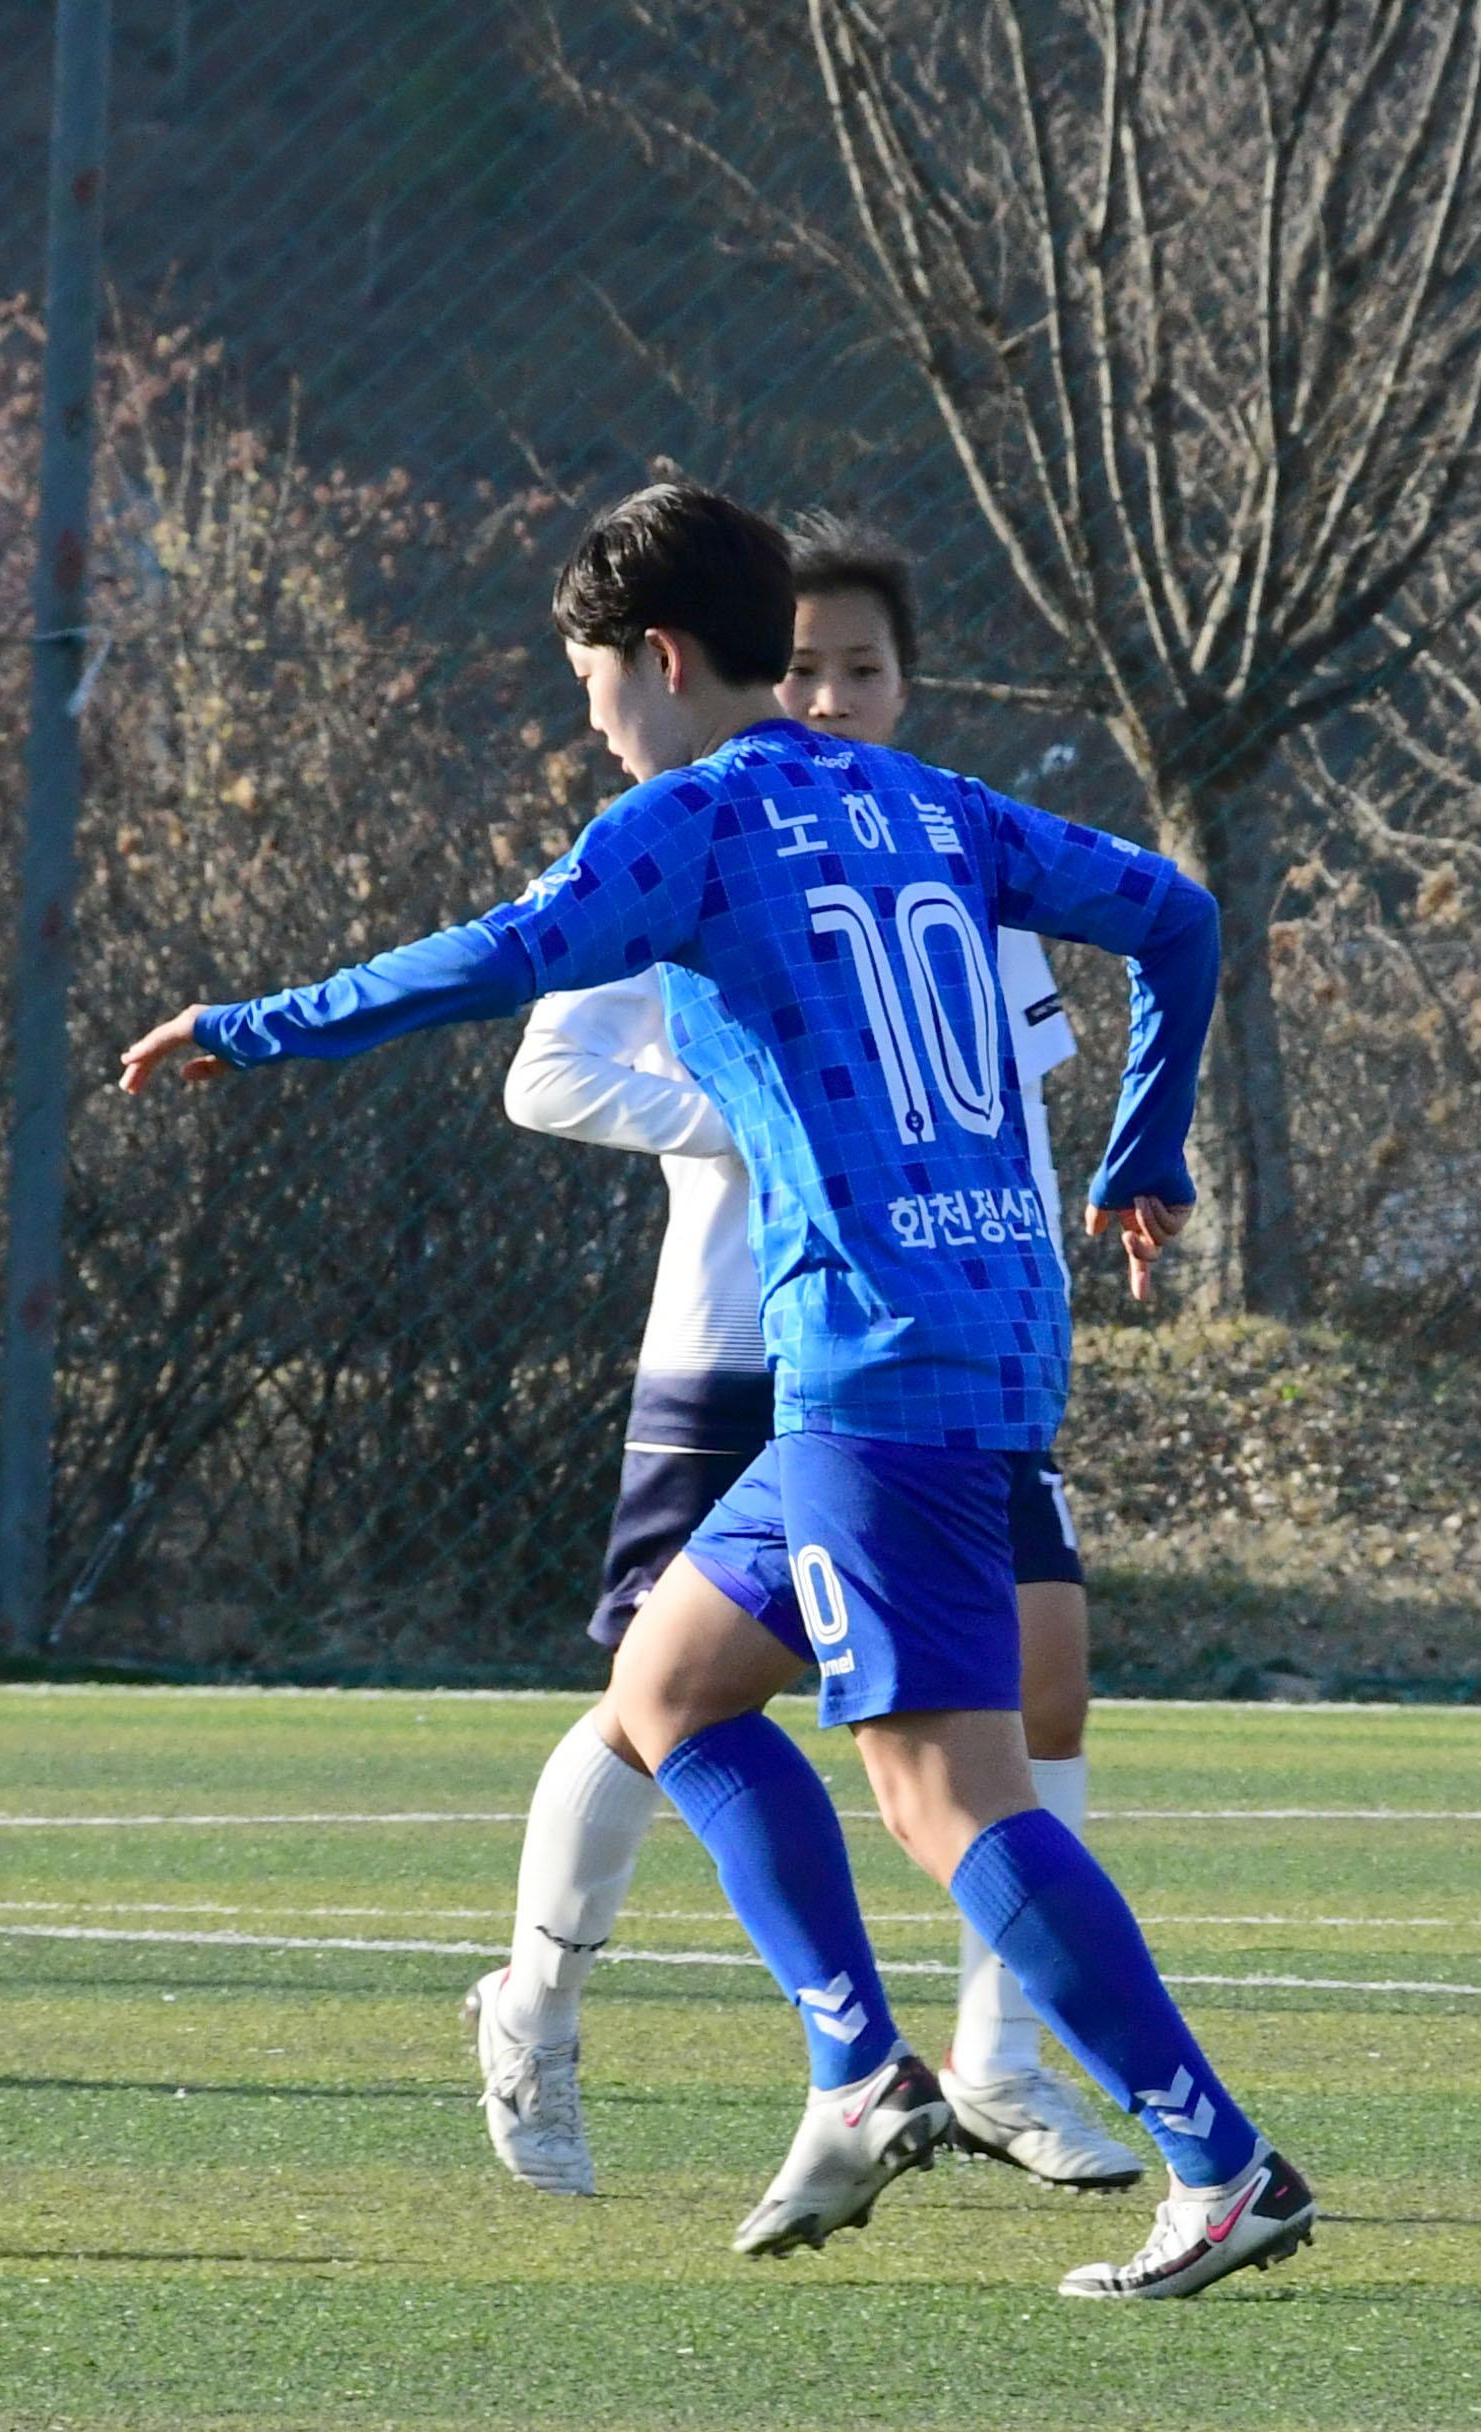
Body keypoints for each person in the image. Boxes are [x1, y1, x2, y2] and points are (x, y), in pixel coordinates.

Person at [119, 482, 1313, 2300]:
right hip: (987, 1318)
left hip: (873, 1357)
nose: (594, 719)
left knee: (941, 1800)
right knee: (669, 1687)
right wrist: (1142, 1156)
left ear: (660, 661)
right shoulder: (928, 800)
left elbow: (501, 962)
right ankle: (855, 2069)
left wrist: (254, 1024)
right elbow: (1175, 917)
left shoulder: (685, 819)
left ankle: (1216, 2159)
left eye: (594, 683)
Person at [467, 516, 1140, 2203]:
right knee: (651, 1701)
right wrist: (773, 1131)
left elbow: (1013, 1095)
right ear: (752, 660)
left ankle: (993, 2066)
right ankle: (534, 2007)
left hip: (939, 1355)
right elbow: (551, 1068)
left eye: (864, 668)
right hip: (742, 1343)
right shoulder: (686, 831)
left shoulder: (958, 856)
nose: (829, 692)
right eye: (808, 662)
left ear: (906, 685)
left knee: (1035, 1675)